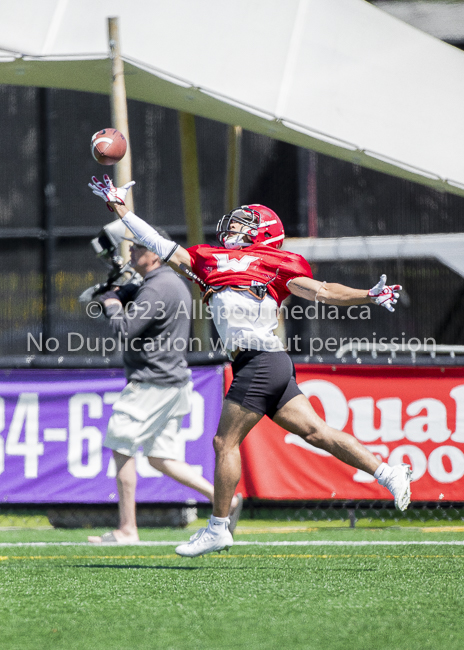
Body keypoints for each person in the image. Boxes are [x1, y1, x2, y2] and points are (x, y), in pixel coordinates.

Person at [88, 174, 411, 555]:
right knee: (317, 433)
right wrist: (122, 209)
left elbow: (323, 291)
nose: (233, 227)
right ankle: (390, 473)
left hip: (262, 359)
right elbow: (160, 244)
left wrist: (368, 296)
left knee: (224, 441)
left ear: (261, 232)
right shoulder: (210, 260)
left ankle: (219, 527)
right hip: (260, 363)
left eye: (243, 223)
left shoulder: (278, 264)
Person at [86, 219, 242, 543]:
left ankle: (127, 529)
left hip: (151, 385)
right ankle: (224, 499)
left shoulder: (157, 286)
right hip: (172, 383)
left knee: (120, 446)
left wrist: (113, 304)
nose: (131, 252)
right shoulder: (164, 282)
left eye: (139, 247)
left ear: (155, 255)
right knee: (161, 458)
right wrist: (118, 294)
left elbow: (125, 330)